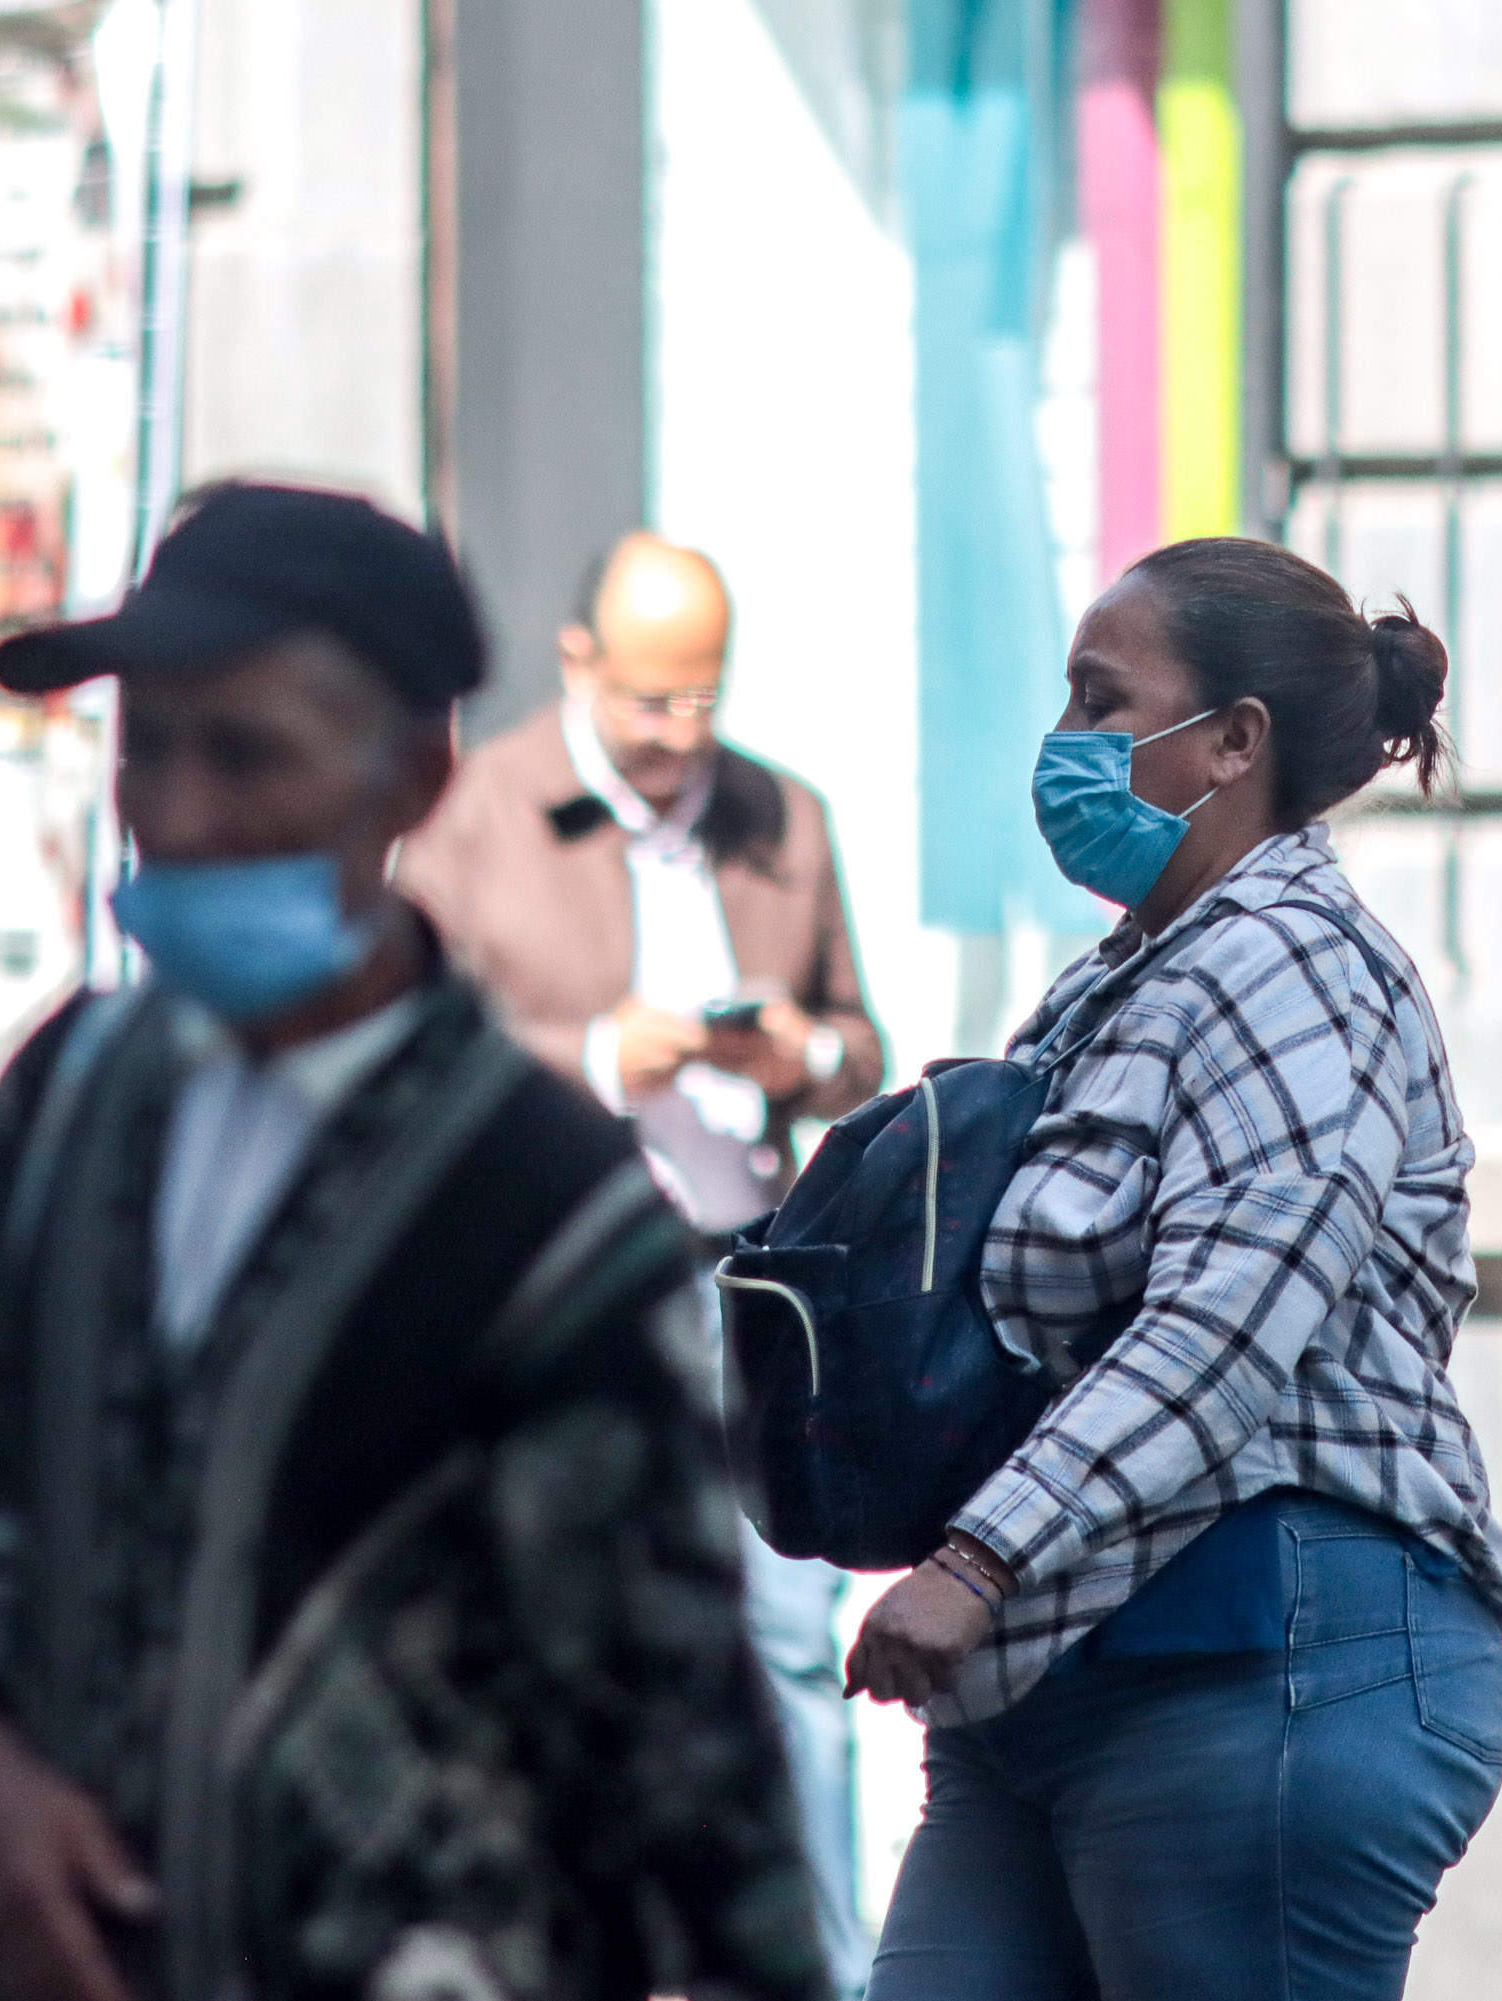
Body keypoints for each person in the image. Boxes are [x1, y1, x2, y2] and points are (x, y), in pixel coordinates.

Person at [0, 482, 827, 2001]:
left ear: (411, 780)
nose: (176, 811)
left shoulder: (543, 1208)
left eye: (245, 754)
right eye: (148, 747)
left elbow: (683, 1767)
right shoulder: (64, 1102)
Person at [844, 540, 1502, 2001]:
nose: (1067, 744)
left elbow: (1228, 1318)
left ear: (1233, 742)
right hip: (1051, 1671)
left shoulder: (1287, 957)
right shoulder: (1118, 978)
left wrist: (976, 1557)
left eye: (1105, 701)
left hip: (1265, 1661)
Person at [394, 530, 884, 1993]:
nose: (677, 736)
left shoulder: (781, 816)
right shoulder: (480, 815)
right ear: (579, 665)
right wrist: (607, 1052)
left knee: (789, 1635)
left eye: (702, 700)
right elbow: (424, 1058)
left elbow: (866, 1043)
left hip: (752, 1282)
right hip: (563, 1286)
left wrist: (805, 1056)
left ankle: (812, 1969)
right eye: (648, 702)